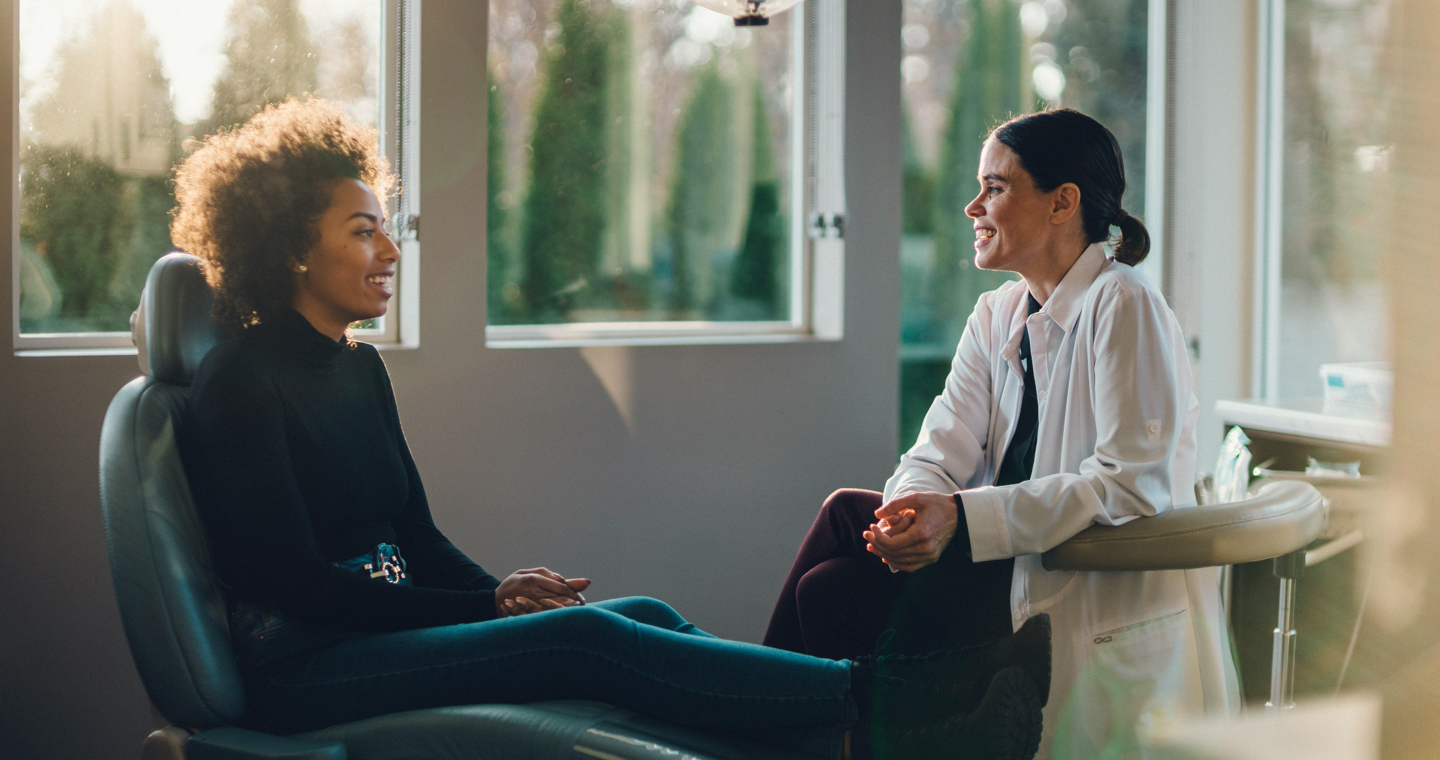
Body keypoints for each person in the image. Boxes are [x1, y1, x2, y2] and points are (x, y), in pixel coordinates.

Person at [171, 98, 1051, 760]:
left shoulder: (358, 368)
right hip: (307, 671)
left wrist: (503, 596)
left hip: (385, 634)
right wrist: (483, 613)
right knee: (588, 640)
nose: (391, 253)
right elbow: (298, 590)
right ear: (291, 248)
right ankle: (900, 709)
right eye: (364, 233)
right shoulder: (238, 385)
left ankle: (827, 736)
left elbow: (415, 535)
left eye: (387, 230)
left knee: (643, 614)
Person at [763, 109, 1238, 758]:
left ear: (1062, 202)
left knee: (843, 534)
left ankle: (749, 723)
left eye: (995, 187)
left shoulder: (1123, 305)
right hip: (997, 577)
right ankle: (775, 728)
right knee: (834, 583)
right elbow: (938, 446)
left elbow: (1131, 486)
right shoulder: (998, 314)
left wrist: (958, 518)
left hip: (1063, 591)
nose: (971, 207)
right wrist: (914, 511)